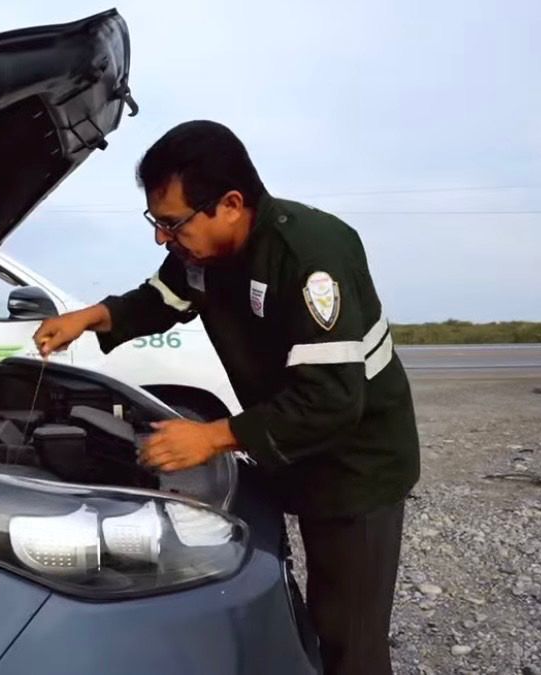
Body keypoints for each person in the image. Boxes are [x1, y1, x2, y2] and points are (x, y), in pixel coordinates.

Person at [32, 120, 420, 674]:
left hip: (356, 463)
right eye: (155, 222)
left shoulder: (309, 255)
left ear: (232, 204)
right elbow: (160, 299)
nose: (162, 238)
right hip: (298, 449)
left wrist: (212, 437)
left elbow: (331, 399)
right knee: (302, 604)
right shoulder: (204, 256)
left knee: (348, 634)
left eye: (172, 223)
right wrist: (89, 317)